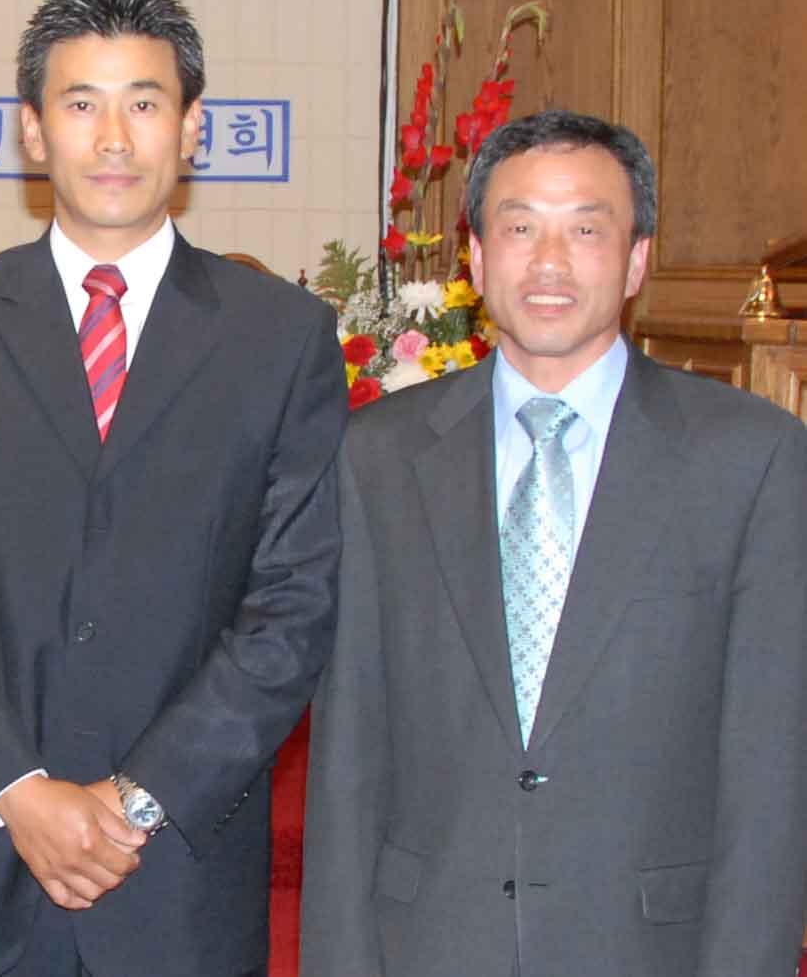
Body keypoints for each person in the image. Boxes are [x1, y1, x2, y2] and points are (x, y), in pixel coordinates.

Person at [0, 0, 346, 977]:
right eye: (81, 103)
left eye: (145, 102)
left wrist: (136, 797)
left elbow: (294, 599)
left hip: (177, 876)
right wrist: (17, 788)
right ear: (32, 132)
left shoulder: (281, 337)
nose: (115, 138)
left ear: (192, 129)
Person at [301, 110, 807, 976]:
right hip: (427, 942)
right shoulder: (378, 455)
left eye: (584, 229)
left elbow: (770, 765)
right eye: (519, 227)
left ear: (637, 258)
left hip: (648, 945)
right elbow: (348, 752)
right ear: (473, 257)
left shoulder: (748, 457)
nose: (548, 262)